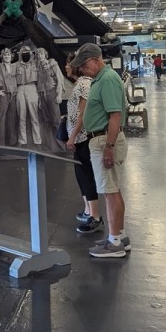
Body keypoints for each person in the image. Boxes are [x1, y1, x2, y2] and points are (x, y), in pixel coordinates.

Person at [68, 43, 129, 258]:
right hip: (102, 139)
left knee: (110, 193)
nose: (82, 70)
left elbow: (115, 116)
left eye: (84, 65)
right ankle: (118, 235)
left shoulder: (108, 79)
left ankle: (114, 244)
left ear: (95, 60)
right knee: (113, 190)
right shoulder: (100, 79)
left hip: (104, 140)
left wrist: (109, 148)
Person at [64, 55, 101, 234]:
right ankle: (88, 210)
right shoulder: (80, 83)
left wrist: (72, 136)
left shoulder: (85, 84)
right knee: (81, 174)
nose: (66, 66)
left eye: (69, 64)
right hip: (78, 138)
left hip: (82, 138)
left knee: (86, 175)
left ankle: (95, 216)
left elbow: (82, 115)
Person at [15, 46, 41, 145]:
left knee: (34, 117)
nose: (25, 54)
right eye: (23, 53)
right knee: (21, 116)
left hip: (32, 87)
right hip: (20, 88)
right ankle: (22, 141)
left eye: (27, 53)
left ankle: (38, 141)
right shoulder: (15, 65)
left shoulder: (36, 64)